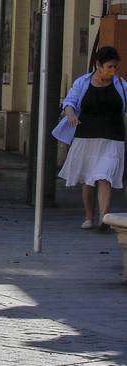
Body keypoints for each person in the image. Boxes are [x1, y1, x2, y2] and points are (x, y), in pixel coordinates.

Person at [56, 46, 127, 231]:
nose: (112, 71)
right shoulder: (82, 83)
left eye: (115, 67)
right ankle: (89, 217)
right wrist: (70, 115)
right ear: (98, 65)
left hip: (113, 137)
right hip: (86, 136)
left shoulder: (120, 84)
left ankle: (104, 219)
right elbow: (69, 102)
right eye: (109, 66)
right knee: (88, 178)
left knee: (106, 176)